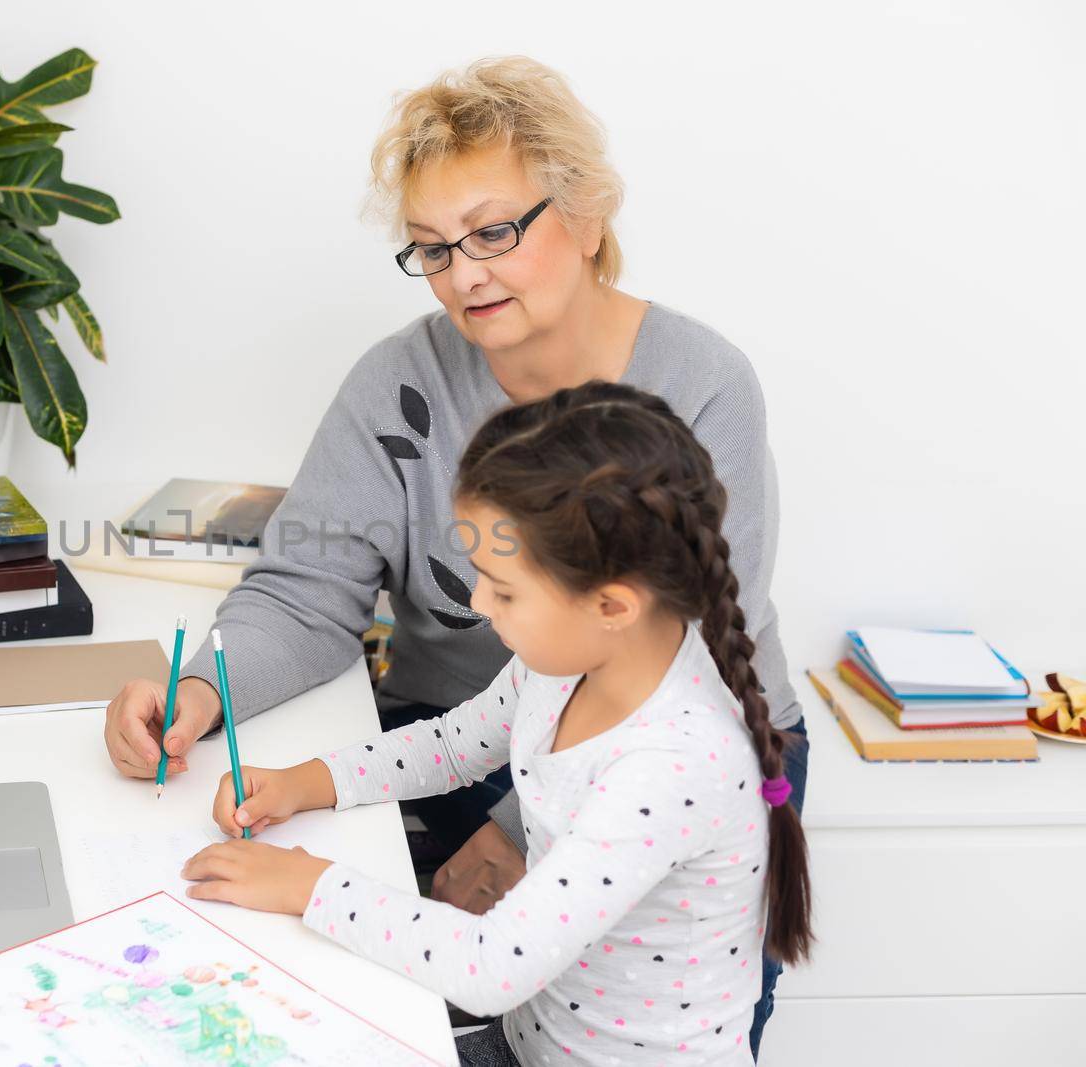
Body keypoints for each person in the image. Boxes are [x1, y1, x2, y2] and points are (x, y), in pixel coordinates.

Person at [102, 56, 809, 1054]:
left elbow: (669, 664)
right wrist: (202, 696)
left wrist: (518, 832)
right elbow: (311, 590)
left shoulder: (699, 386)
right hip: (484, 734)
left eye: (492, 231)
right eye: (430, 246)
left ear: (589, 212)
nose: (462, 273)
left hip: (652, 756)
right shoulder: (399, 382)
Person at [181, 383, 814, 1065]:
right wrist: (308, 781)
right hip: (528, 1039)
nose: (479, 602)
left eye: (504, 588)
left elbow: (491, 965)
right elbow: (453, 745)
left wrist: (308, 884)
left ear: (612, 604)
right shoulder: (570, 663)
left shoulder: (675, 762)